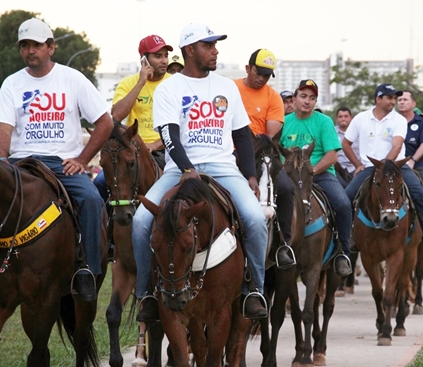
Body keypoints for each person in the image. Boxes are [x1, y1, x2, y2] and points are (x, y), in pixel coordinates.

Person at [132, 23, 268, 320]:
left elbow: (243, 135)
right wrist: (187, 169)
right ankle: (146, 295)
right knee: (142, 220)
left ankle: (254, 290)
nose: (215, 50)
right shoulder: (170, 87)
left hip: (223, 167)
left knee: (256, 219)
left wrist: (251, 176)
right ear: (190, 50)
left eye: (215, 45)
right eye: (209, 46)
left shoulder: (226, 87)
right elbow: (169, 136)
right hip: (178, 170)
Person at [0, 18, 114, 301]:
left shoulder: (72, 78)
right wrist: (2, 160)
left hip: (62, 163)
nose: (30, 51)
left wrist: (82, 158)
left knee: (90, 199)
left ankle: (87, 269)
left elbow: (105, 122)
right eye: (25, 45)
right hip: (20, 163)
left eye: (36, 45)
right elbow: (4, 129)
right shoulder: (11, 84)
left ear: (51, 47)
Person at [342, 84, 423, 257]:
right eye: (389, 98)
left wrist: (385, 165)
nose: (393, 101)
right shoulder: (361, 118)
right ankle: (345, 238)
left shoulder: (398, 120)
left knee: (418, 191)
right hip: (370, 168)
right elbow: (346, 144)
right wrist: (357, 164)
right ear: (378, 99)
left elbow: (397, 145)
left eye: (394, 98)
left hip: (397, 166)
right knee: (346, 197)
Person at [279, 79, 353, 277]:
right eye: (303, 96)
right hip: (288, 179)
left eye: (312, 98)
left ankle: (342, 253)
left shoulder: (324, 121)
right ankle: (276, 250)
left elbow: (332, 155)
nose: (307, 101)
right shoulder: (284, 122)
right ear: (294, 99)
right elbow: (277, 152)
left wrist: (311, 171)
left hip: (319, 175)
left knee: (344, 204)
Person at [234, 48, 295, 268]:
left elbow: (269, 134)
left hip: (261, 156)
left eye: (266, 75)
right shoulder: (231, 88)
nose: (261, 78)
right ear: (248, 68)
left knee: (287, 189)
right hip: (228, 154)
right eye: (258, 72)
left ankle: (282, 245)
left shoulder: (273, 97)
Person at [93, 34, 173, 201]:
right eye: (158, 56)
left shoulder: (175, 83)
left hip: (167, 151)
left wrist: (155, 144)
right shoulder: (128, 83)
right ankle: (106, 223)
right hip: (131, 150)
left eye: (166, 55)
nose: (164, 61)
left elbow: (182, 124)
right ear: (144, 59)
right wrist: (141, 83)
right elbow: (115, 116)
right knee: (99, 183)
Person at [397, 91, 423, 222]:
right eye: (399, 100)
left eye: (405, 99)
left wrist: (413, 160)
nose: (401, 102)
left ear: (413, 103)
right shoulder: (391, 120)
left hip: (416, 166)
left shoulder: (421, 123)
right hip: (394, 166)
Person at [334, 106, 360, 187]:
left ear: (351, 118)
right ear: (337, 118)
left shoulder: (358, 132)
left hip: (355, 168)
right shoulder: (331, 132)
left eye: (346, 116)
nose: (343, 119)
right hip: (338, 169)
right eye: (340, 116)